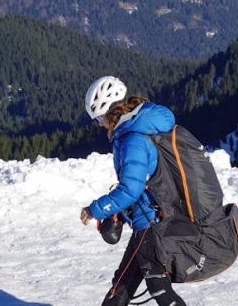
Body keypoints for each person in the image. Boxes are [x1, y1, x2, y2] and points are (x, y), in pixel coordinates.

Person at [80, 76, 187, 306]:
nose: (99, 124)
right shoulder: (133, 131)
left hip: (151, 222)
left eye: (99, 117)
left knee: (157, 287)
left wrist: (96, 209)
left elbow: (131, 189)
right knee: (122, 288)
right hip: (147, 219)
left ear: (111, 112)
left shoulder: (132, 141)